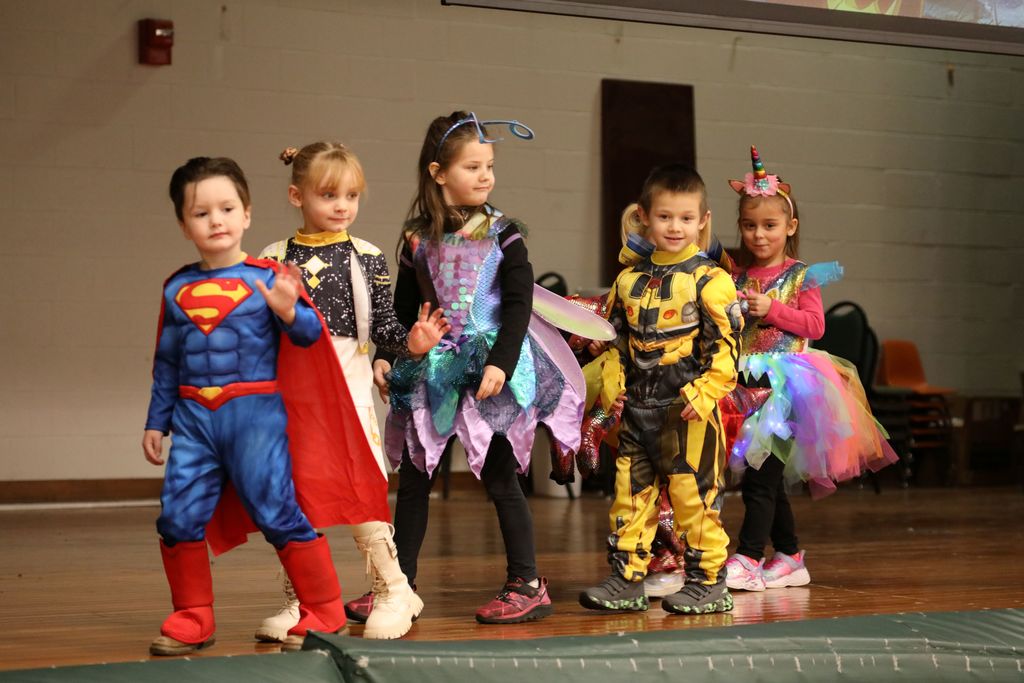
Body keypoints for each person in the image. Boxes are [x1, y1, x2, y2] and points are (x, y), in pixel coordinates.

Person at [143, 157, 389, 654]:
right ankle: (193, 615)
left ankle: (323, 609)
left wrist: (287, 309)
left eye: (227, 207)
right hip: (193, 421)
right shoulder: (176, 287)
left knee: (280, 513)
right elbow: (166, 361)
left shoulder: (270, 278)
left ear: (247, 214)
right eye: (201, 212)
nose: (216, 220)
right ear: (183, 224)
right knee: (176, 516)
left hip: (256, 417)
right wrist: (156, 421)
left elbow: (309, 337)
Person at [367, 110, 584, 625]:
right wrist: (386, 353)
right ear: (439, 172)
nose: (485, 176)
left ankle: (527, 582)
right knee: (417, 477)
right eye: (472, 167)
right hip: (437, 366)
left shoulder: (505, 233)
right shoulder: (417, 238)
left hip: (491, 365)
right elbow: (401, 310)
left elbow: (516, 305)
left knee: (501, 477)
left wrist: (502, 364)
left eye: (489, 166)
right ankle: (401, 585)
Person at [257, 142, 449, 640]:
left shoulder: (363, 255)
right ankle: (303, 599)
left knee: (362, 494)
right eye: (329, 195)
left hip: (350, 391)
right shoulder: (272, 258)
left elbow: (384, 327)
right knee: (295, 499)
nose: (342, 206)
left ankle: (394, 589)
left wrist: (412, 343)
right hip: (291, 399)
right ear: (297, 195)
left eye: (352, 196)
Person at [723, 146, 898, 592]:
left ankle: (746, 556)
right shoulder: (737, 274)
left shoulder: (804, 275)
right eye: (749, 225)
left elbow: (815, 325)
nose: (759, 235)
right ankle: (789, 555)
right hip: (746, 382)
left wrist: (773, 309)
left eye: (769, 225)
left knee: (761, 478)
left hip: (789, 385)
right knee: (764, 474)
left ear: (790, 227)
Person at [579, 163, 742, 615]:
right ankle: (627, 577)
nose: (676, 226)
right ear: (645, 217)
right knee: (630, 494)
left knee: (693, 497)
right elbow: (613, 343)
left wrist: (706, 391)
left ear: (703, 221)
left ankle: (709, 579)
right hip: (638, 408)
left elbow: (727, 346)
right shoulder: (627, 280)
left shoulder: (711, 280)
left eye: (686, 218)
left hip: (687, 410)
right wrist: (612, 390)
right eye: (666, 216)